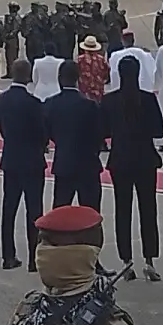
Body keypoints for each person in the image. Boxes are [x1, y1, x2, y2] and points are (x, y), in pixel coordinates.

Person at [4, 205, 134, 325]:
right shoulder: (29, 308)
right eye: (40, 242)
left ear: (82, 253)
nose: (40, 251)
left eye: (52, 244)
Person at [43, 59, 113, 276]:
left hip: (63, 163)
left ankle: (56, 259)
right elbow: (99, 135)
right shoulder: (89, 105)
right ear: (78, 78)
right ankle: (93, 261)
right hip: (87, 164)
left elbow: (48, 133)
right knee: (91, 216)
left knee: (59, 213)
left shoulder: (50, 104)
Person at [101, 57, 163, 282]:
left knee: (123, 210)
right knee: (148, 209)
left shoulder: (110, 100)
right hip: (145, 159)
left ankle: (126, 261)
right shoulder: (147, 99)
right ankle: (150, 259)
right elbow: (159, 130)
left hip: (120, 159)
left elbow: (103, 130)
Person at [0, 59, 48, 271]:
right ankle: (34, 258)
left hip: (11, 158)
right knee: (34, 210)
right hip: (32, 160)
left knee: (9, 209)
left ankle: (8, 256)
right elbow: (42, 133)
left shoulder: (2, 100)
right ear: (27, 76)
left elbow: (1, 126)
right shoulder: (34, 103)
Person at [76, 35, 109, 102]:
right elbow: (107, 75)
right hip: (98, 92)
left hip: (84, 93)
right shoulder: (101, 59)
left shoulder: (79, 60)